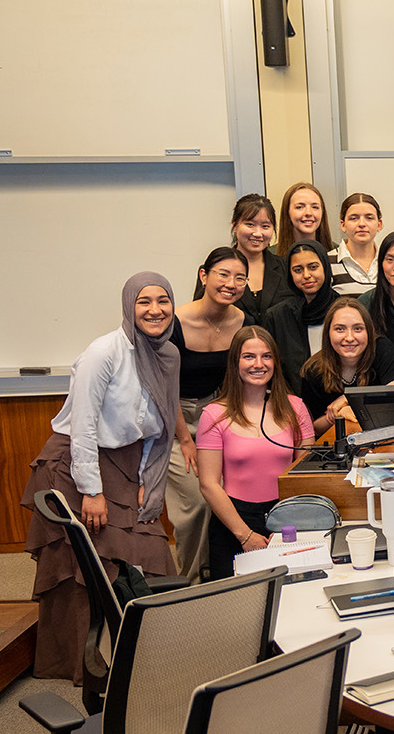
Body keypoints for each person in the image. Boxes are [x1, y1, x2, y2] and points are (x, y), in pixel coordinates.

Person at [21, 273, 182, 682]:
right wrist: (91, 491)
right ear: (129, 305)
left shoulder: (168, 355)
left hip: (128, 465)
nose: (155, 310)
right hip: (79, 464)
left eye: (163, 300)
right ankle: (84, 668)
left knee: (150, 553)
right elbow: (84, 427)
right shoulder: (104, 352)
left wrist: (148, 477)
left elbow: (159, 424)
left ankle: (146, 660)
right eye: (144, 301)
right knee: (84, 568)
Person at [196, 327, 315, 579]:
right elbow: (208, 484)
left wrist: (289, 524)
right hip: (233, 522)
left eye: (267, 356)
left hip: (286, 518)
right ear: (235, 362)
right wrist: (245, 534)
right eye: (248, 356)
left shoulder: (295, 407)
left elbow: (306, 471)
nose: (258, 364)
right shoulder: (213, 415)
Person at [169, 248, 254, 581]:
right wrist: (185, 439)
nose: (230, 283)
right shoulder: (175, 322)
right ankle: (190, 583)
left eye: (239, 277)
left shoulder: (243, 321)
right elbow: (164, 388)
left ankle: (222, 577)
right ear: (204, 275)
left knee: (231, 495)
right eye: (223, 274)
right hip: (174, 418)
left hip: (218, 415)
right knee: (198, 504)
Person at [297, 297, 394, 433]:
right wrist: (337, 415)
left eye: (358, 329)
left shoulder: (381, 348)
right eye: (340, 329)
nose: (349, 337)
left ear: (369, 331)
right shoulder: (312, 370)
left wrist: (350, 399)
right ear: (328, 333)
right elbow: (312, 428)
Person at [262, 240, 337, 392]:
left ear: (326, 267)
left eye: (313, 267)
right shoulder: (277, 317)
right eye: (297, 270)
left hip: (338, 405)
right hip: (292, 406)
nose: (306, 275)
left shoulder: (344, 310)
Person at [197, 193, 286, 322]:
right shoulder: (213, 269)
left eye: (265, 226)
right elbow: (201, 316)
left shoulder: (286, 268)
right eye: (250, 224)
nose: (257, 233)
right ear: (234, 225)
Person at [327, 192, 383, 296]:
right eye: (354, 218)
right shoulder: (327, 262)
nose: (362, 224)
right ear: (343, 225)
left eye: (369, 218)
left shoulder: (388, 261)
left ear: (379, 224)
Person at [275, 182, 332, 258]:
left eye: (315, 207)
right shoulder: (271, 257)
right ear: (287, 212)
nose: (308, 213)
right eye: (299, 207)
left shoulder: (337, 254)